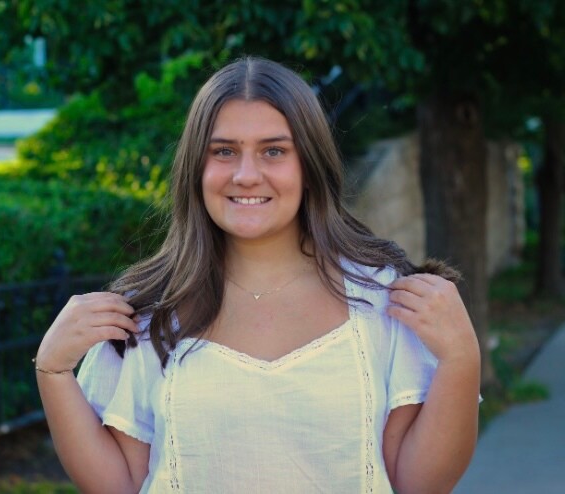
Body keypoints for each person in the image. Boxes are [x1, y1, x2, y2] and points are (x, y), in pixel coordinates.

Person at [34, 57, 481, 493]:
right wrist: (52, 369)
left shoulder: (381, 299)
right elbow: (122, 484)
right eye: (224, 151)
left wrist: (461, 358)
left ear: (309, 166)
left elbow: (419, 483)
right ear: (196, 168)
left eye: (274, 151)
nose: (246, 175)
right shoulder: (148, 313)